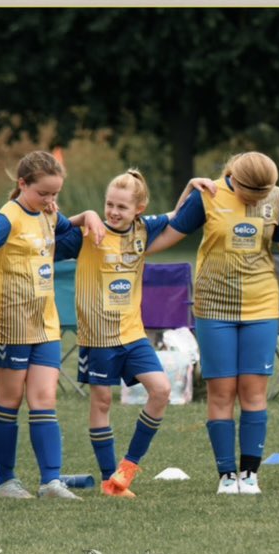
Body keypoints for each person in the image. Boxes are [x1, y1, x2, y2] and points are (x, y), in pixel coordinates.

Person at [149, 152, 279, 495]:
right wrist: (127, 252)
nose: (259, 199)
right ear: (237, 179)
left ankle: (250, 475)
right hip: (213, 307)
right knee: (221, 392)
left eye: (265, 192)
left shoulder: (276, 197)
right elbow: (169, 233)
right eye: (253, 193)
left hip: (261, 306)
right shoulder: (209, 195)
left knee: (254, 391)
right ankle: (226, 476)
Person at [53, 170, 211, 497]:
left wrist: (189, 185)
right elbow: (51, 235)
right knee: (102, 401)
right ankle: (109, 479)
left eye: (122, 207)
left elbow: (177, 217)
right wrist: (87, 216)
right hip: (98, 339)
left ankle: (126, 470)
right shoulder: (86, 235)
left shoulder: (144, 228)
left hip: (133, 334)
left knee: (162, 390)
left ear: (138, 209)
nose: (113, 211)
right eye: (109, 204)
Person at [0, 150, 104, 500]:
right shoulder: (7, 218)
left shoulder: (48, 214)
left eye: (55, 194)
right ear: (22, 184)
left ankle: (51, 482)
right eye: (43, 193)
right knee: (10, 399)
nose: (50, 201)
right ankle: (5, 482)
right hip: (10, 323)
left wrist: (90, 215)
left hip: (45, 322)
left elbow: (69, 226)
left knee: (45, 398)